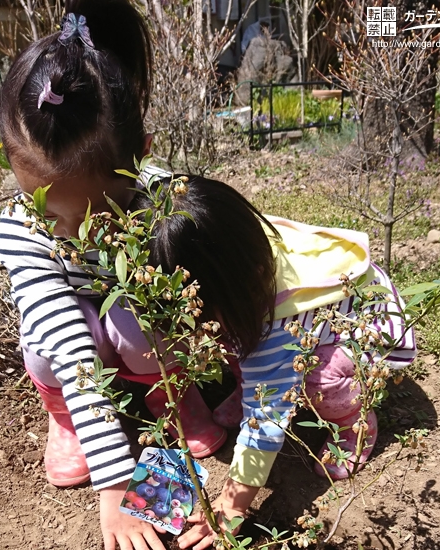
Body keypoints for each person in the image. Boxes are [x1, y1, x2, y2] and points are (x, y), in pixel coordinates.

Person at [0, 2, 226, 549]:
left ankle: (167, 400)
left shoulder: (159, 197)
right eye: (51, 212)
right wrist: (116, 485)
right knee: (46, 342)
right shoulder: (21, 230)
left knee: (144, 308)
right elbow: (73, 350)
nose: (75, 234)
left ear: (140, 159)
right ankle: (68, 422)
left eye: (101, 211)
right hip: (73, 356)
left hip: (139, 339)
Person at [130, 175, 417, 550]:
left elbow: (266, 421)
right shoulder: (232, 250)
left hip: (367, 342)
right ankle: (256, 380)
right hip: (271, 323)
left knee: (317, 380)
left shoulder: (276, 324)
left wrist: (232, 507)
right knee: (236, 340)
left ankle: (352, 424)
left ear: (250, 285)